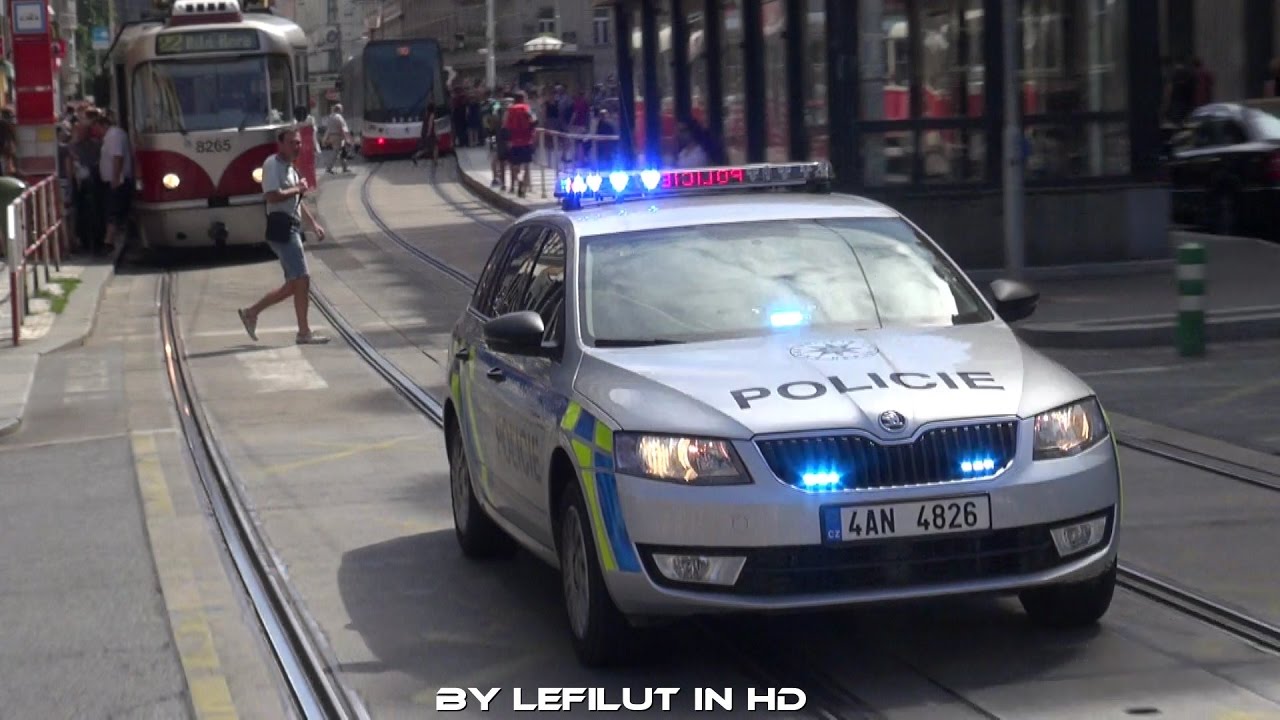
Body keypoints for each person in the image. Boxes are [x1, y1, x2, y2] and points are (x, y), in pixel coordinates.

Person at [238, 129, 330, 346]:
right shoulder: (273, 164)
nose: (296, 147)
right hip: (283, 229)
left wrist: (313, 224)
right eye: (292, 143)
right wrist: (296, 189)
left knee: (294, 284)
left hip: (293, 227)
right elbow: (271, 195)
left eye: (298, 143)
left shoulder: (291, 168)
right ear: (280, 144)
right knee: (302, 279)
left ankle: (251, 313)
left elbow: (296, 200)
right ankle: (304, 332)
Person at [98, 112, 134, 254]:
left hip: (116, 181)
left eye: (98, 128)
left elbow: (117, 157)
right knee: (114, 210)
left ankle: (109, 242)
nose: (97, 132)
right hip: (116, 180)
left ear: (103, 125)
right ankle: (112, 239)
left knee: (113, 210)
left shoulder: (113, 136)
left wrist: (115, 178)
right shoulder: (115, 134)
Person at [503, 91, 536, 198]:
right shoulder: (526, 107)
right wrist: (531, 130)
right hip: (527, 140)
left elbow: (505, 126)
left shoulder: (510, 110)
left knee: (515, 165)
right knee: (526, 165)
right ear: (523, 98)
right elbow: (535, 120)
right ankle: (524, 188)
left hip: (514, 141)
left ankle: (519, 180)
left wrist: (508, 139)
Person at [323, 103, 352, 173]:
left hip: (332, 136)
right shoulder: (339, 117)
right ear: (339, 110)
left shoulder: (330, 117)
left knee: (341, 151)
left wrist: (326, 138)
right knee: (336, 152)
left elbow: (328, 128)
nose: (342, 111)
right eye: (341, 109)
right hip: (338, 136)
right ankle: (329, 168)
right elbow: (343, 128)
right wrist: (347, 138)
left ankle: (344, 167)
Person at [411, 103, 438, 169]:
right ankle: (435, 162)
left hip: (424, 133)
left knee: (426, 148)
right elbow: (430, 125)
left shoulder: (426, 115)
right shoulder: (432, 115)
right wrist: (429, 133)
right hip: (430, 134)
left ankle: (415, 156)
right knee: (435, 147)